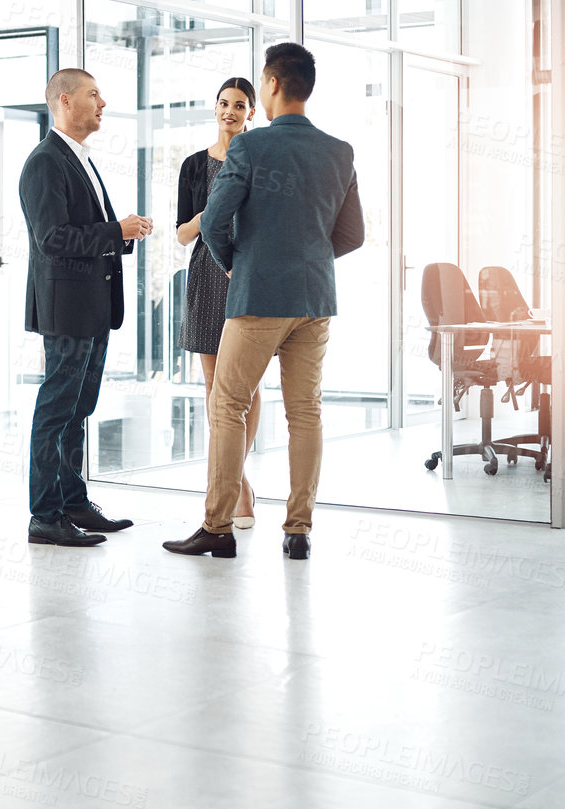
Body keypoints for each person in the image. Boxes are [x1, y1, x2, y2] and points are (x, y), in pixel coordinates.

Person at [163, 42, 364, 562]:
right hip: (314, 300)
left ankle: (218, 526)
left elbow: (211, 222)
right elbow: (353, 235)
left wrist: (237, 262)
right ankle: (298, 530)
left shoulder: (250, 150)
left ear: (271, 86)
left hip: (255, 299)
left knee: (226, 404)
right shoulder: (339, 151)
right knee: (306, 413)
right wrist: (311, 257)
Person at [19, 68, 151, 547]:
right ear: (64, 101)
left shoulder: (79, 158)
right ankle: (44, 515)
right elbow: (52, 239)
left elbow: (82, 234)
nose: (103, 102)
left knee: (78, 410)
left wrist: (123, 234)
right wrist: (116, 231)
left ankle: (73, 502)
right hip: (67, 311)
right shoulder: (45, 162)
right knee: (56, 410)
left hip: (92, 308)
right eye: (94, 94)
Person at [176, 77, 262, 529]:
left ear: (252, 112)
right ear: (215, 109)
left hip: (247, 275)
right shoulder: (193, 166)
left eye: (240, 105)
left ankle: (229, 485)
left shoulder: (260, 159)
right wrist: (211, 212)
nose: (230, 111)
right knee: (216, 394)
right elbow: (181, 234)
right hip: (207, 277)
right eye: (224, 104)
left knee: (247, 389)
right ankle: (239, 485)